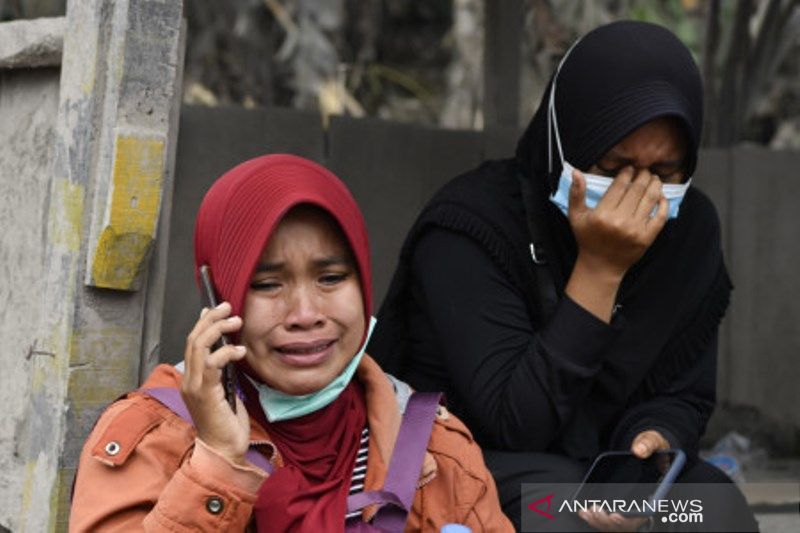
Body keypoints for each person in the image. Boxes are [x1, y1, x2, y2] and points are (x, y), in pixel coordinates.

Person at [369, 21, 759, 532]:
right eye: (614, 166)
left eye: (664, 174)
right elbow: (515, 421)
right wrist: (600, 268)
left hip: (608, 468)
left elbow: (685, 394)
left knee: (713, 509)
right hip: (466, 469)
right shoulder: (471, 227)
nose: (636, 193)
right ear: (563, 144)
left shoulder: (691, 230)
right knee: (560, 517)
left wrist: (654, 439)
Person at [70, 154, 513, 532]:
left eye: (332, 278)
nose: (305, 314)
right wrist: (217, 462)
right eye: (266, 284)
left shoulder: (436, 447)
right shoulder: (151, 438)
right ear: (217, 297)